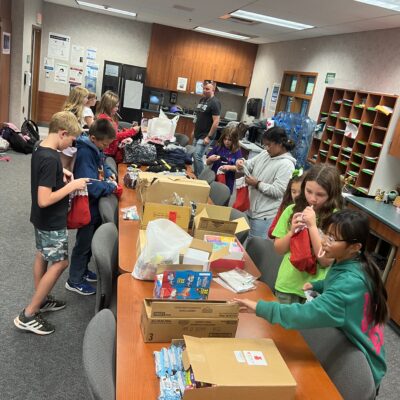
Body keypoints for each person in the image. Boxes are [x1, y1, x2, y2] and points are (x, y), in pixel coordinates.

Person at [235, 209, 389, 390]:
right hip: (353, 344)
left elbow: (306, 314)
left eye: (332, 239)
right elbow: (336, 280)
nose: (324, 242)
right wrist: (318, 285)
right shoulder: (351, 262)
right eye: (326, 234)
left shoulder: (350, 283)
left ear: (355, 247)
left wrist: (260, 308)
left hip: (362, 365)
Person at [14, 111, 88, 335]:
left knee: (42, 254)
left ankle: (42, 298)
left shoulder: (41, 148)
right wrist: (71, 186)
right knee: (61, 263)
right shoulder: (50, 158)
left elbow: (44, 172)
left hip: (41, 218)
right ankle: (28, 314)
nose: (71, 145)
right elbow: (44, 199)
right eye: (71, 140)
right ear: (62, 133)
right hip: (51, 220)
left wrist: (60, 170)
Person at [272, 163, 343, 304]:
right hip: (287, 285)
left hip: (314, 289)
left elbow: (325, 260)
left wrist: (312, 226)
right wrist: (291, 232)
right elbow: (278, 249)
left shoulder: (337, 219)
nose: (313, 199)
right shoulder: (291, 210)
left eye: (320, 194)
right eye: (308, 191)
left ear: (332, 195)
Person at [66, 119, 118, 295]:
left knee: (89, 243)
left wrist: (109, 175)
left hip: (94, 206)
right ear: (94, 138)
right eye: (104, 144)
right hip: (86, 206)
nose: (105, 147)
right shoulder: (85, 153)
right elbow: (89, 184)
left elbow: (102, 165)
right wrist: (109, 186)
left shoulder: (96, 148)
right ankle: (74, 280)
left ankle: (83, 271)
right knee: (83, 244)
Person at [236, 126, 296, 238]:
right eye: (265, 145)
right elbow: (249, 164)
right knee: (241, 240)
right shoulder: (265, 154)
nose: (266, 148)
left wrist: (257, 184)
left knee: (255, 245)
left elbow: (279, 191)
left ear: (279, 144)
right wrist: (241, 163)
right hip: (250, 207)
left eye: (269, 145)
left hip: (264, 215)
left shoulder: (287, 165)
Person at [96, 90, 140, 163]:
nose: (117, 109)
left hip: (111, 152)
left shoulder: (110, 117)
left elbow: (114, 131)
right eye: (115, 106)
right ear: (108, 106)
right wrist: (132, 131)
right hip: (106, 154)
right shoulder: (104, 119)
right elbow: (114, 136)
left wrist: (125, 131)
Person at [192, 80, 221, 177]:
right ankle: (195, 176)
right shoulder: (202, 100)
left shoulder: (215, 102)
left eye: (207, 89)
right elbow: (198, 116)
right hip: (197, 133)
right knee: (194, 155)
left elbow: (216, 121)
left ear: (213, 90)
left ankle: (202, 179)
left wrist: (209, 137)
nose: (205, 90)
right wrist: (193, 130)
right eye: (204, 88)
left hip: (206, 135)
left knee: (197, 155)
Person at [267, 168, 304, 239]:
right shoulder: (286, 206)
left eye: (300, 192)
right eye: (293, 192)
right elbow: (270, 232)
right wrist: (284, 229)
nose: (296, 195)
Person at [205, 125, 242, 193]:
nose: (226, 142)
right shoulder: (218, 147)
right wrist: (210, 159)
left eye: (230, 140)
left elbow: (238, 168)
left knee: (223, 196)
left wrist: (229, 167)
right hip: (214, 179)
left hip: (228, 181)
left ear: (234, 140)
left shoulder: (237, 151)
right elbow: (207, 162)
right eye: (225, 139)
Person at [60, 86, 89, 171]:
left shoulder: (75, 111)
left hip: (72, 143)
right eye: (86, 97)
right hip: (68, 144)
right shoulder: (71, 112)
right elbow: (70, 128)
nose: (87, 100)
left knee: (69, 169)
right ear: (79, 98)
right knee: (63, 168)